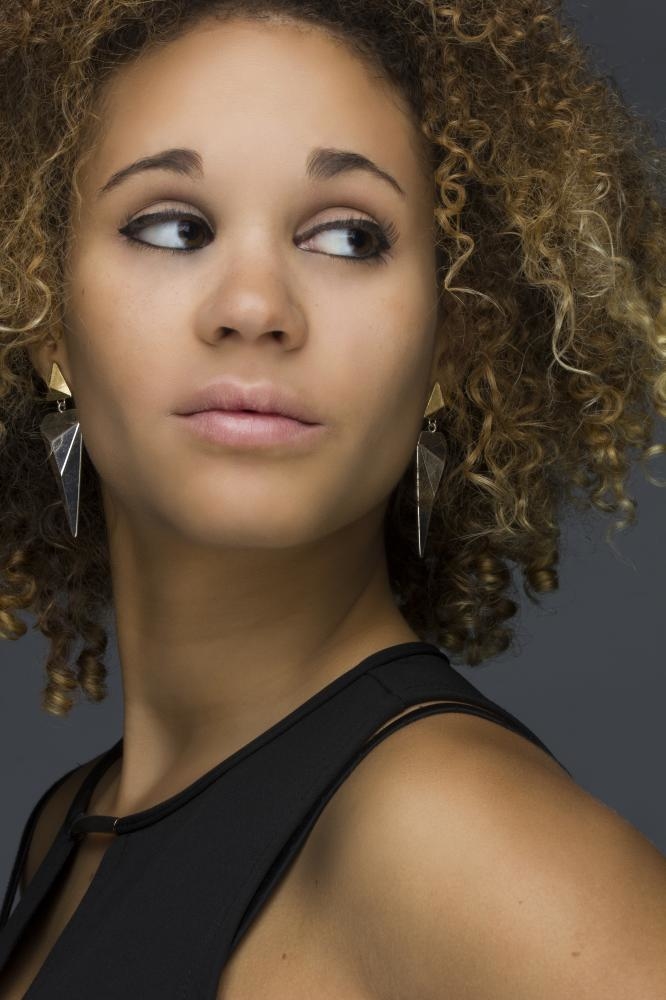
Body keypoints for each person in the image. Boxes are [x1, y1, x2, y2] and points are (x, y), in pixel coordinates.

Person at [0, 1, 665, 997]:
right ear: (46, 321)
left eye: (350, 238)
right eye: (174, 227)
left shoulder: (462, 842)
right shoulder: (69, 827)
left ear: (454, 343)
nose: (255, 307)